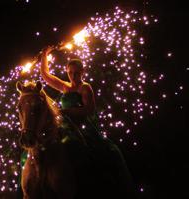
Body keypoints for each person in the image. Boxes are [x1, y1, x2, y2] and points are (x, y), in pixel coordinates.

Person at [40, 46, 137, 198]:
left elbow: (89, 110)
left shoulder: (85, 88)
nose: (73, 76)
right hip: (66, 126)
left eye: (76, 72)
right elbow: (46, 76)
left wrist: (66, 112)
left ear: (82, 72)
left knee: (81, 146)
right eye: (70, 72)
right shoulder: (65, 86)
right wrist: (44, 55)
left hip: (83, 126)